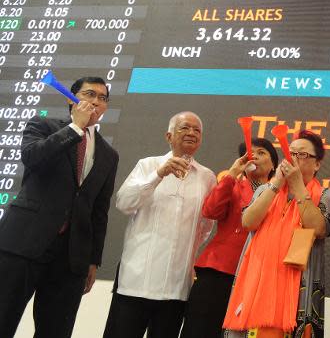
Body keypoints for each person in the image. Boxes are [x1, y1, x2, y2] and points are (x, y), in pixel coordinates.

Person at [0, 76, 119, 338]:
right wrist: (76, 127)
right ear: (71, 98)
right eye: (89, 94)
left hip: (71, 257)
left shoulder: (109, 154)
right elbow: (33, 158)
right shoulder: (43, 125)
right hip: (23, 243)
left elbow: (100, 210)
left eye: (103, 98)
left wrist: (93, 260)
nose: (96, 102)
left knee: (56, 330)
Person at [103, 111, 216, 338]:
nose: (192, 133)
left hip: (176, 288)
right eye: (185, 128)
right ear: (169, 136)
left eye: (197, 130)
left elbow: (204, 227)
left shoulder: (207, 177)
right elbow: (124, 203)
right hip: (135, 281)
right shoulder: (148, 165)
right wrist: (158, 175)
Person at [223, 129, 330, 338]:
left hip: (298, 291)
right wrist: (276, 184)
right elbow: (248, 222)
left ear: (317, 164)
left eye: (302, 155)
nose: (294, 158)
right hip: (255, 286)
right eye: (291, 153)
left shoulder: (324, 195)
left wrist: (298, 187)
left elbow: (318, 228)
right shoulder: (264, 190)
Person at [180, 138, 279, 338]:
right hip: (219, 271)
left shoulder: (279, 194)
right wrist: (232, 174)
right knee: (200, 330)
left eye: (261, 153)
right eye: (250, 154)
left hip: (256, 277)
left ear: (274, 164)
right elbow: (210, 210)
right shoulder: (232, 185)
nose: (255, 157)